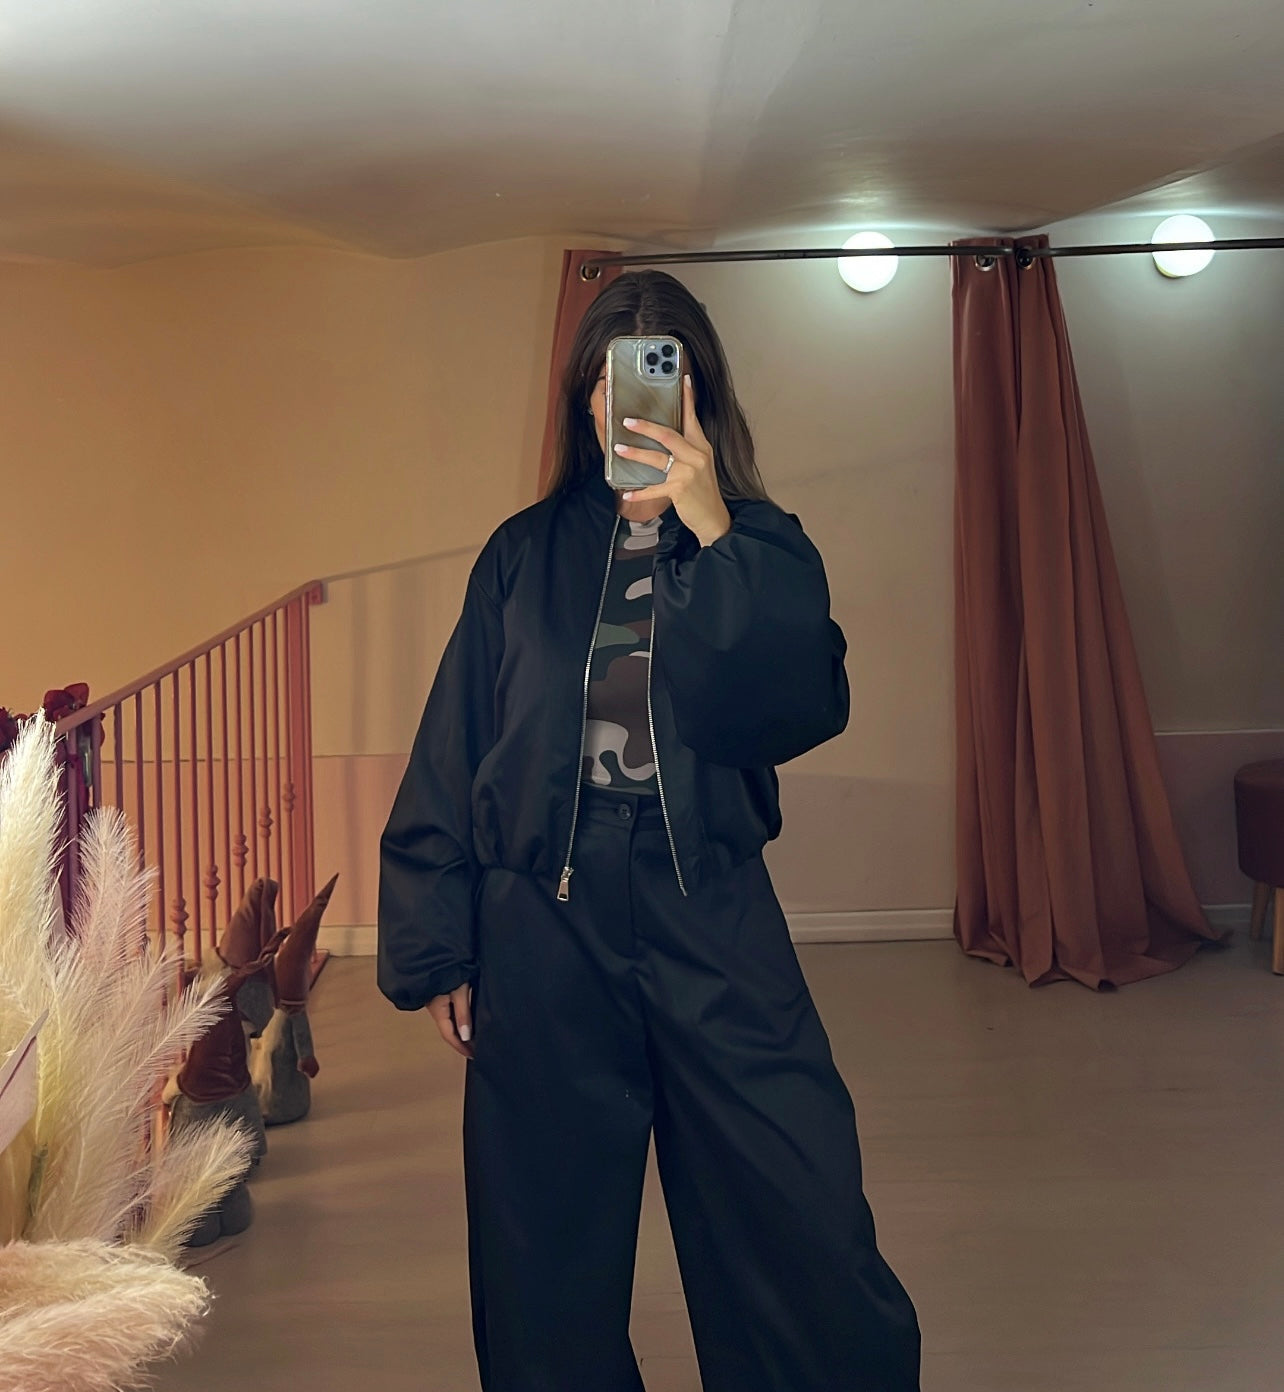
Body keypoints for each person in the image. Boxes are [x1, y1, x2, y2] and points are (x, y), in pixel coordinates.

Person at [378, 270, 921, 1392]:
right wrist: (439, 941)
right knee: (543, 1243)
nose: (623, 405)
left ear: (694, 397)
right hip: (544, 920)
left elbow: (793, 707)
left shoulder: (759, 545)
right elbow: (456, 742)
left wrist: (714, 529)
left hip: (707, 904)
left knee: (798, 1205)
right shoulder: (522, 556)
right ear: (583, 399)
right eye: (605, 382)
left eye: (655, 379)